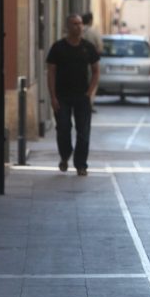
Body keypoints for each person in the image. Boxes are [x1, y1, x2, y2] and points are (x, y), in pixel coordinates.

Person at [47, 13, 100, 176]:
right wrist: (53, 97)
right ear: (68, 27)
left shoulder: (88, 48)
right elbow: (51, 73)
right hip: (62, 96)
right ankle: (65, 155)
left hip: (82, 97)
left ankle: (81, 165)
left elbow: (96, 71)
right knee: (63, 129)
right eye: (75, 24)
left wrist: (89, 93)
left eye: (80, 24)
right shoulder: (58, 48)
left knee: (83, 132)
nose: (79, 26)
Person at [81, 12, 103, 111]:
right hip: (90, 62)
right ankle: (88, 103)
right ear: (90, 21)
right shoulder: (93, 32)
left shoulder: (77, 31)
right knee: (92, 82)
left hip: (75, 62)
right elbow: (100, 48)